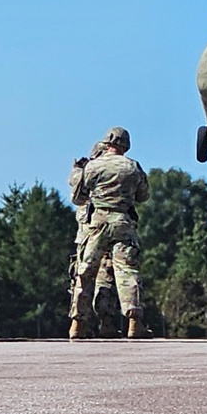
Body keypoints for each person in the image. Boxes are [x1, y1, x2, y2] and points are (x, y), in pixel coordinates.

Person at [68, 126, 151, 339]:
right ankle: (134, 322)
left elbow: (78, 198)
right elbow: (143, 196)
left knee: (86, 271)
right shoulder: (132, 167)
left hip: (97, 222)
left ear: (107, 143)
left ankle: (78, 324)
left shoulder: (93, 167)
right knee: (127, 271)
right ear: (126, 145)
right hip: (123, 221)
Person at [68, 141, 121, 337]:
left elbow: (75, 191)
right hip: (104, 229)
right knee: (105, 279)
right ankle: (105, 323)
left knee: (84, 277)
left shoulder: (85, 174)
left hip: (88, 234)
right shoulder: (110, 178)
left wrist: (78, 169)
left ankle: (78, 323)